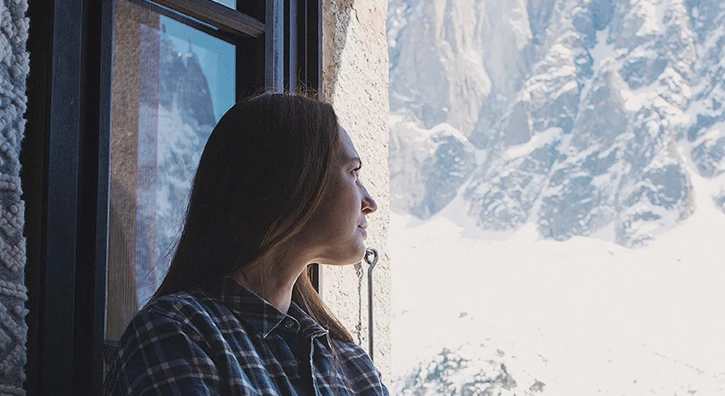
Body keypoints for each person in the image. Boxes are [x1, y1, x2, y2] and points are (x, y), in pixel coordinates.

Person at [104, 92, 388, 395]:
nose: (369, 202)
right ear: (295, 181)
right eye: (353, 172)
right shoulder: (176, 333)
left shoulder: (354, 367)